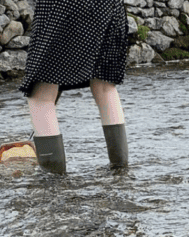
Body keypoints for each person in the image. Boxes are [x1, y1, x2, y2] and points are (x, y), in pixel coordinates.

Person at [19, 0, 130, 174]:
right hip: (109, 6)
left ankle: (53, 184)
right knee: (104, 84)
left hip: (63, 5)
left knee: (41, 93)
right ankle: (120, 173)